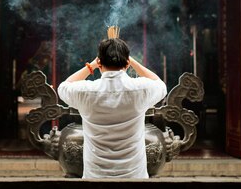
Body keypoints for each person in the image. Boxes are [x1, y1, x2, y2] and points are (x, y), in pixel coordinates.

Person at [57, 38, 167, 179]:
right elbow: (160, 85)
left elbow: (63, 87)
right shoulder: (139, 89)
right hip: (134, 176)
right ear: (126, 63)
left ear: (100, 62)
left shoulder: (87, 92)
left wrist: (91, 66)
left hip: (95, 176)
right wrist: (132, 62)